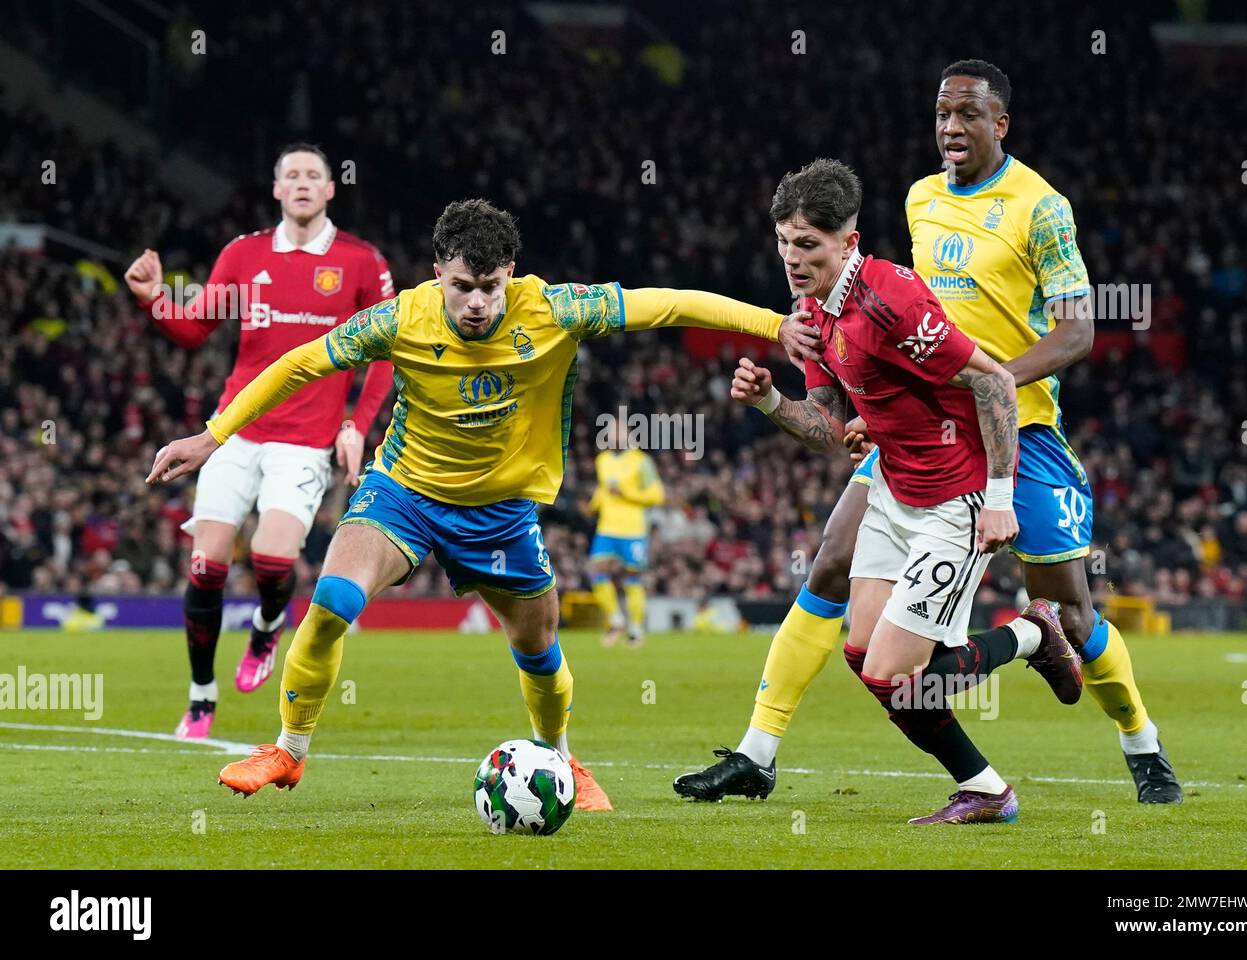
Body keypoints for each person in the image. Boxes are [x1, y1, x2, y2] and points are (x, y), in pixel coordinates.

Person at [146, 198, 822, 812]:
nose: (475, 303)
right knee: (328, 609)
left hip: (500, 514)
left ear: (512, 274)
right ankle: (289, 751)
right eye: (461, 286)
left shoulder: (557, 309)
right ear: (438, 272)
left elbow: (669, 304)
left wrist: (773, 324)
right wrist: (213, 435)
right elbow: (300, 364)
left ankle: (558, 757)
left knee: (539, 649)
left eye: (490, 287)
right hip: (403, 495)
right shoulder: (399, 317)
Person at [677, 58, 1182, 807]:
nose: (951, 128)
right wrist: (869, 404)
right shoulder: (919, 199)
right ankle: (759, 750)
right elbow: (879, 326)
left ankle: (1141, 743)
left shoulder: (1041, 207)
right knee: (827, 567)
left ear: (999, 124)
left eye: (968, 116)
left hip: (1018, 430)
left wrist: (984, 384)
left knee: (1073, 612)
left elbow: (1078, 331)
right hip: (917, 436)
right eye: (942, 115)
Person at [678, 159, 1081, 823]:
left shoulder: (892, 301)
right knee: (867, 657)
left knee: (895, 677)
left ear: (849, 243)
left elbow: (995, 384)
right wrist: (771, 401)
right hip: (895, 493)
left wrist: (1004, 497)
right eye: (783, 242)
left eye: (808, 244)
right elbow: (826, 429)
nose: (792, 258)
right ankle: (982, 785)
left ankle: (1034, 638)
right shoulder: (811, 316)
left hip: (959, 497)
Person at [125, 143, 394, 740]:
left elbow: (384, 352)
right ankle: (200, 696)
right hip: (234, 430)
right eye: (290, 175)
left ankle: (270, 624)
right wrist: (154, 299)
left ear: (330, 190)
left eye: (313, 176)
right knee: (206, 564)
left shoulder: (359, 262)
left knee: (274, 559)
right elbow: (195, 328)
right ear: (276, 189)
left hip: (306, 440)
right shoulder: (244, 256)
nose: (301, 183)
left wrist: (356, 425)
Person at [587, 419, 664, 647]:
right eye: (610, 432)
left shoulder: (641, 462)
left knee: (632, 579)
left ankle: (636, 630)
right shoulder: (602, 460)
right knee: (596, 572)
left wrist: (625, 493)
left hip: (633, 530)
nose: (613, 436)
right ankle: (615, 619)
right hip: (607, 528)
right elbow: (603, 490)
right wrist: (592, 505)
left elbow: (657, 494)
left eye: (618, 432)